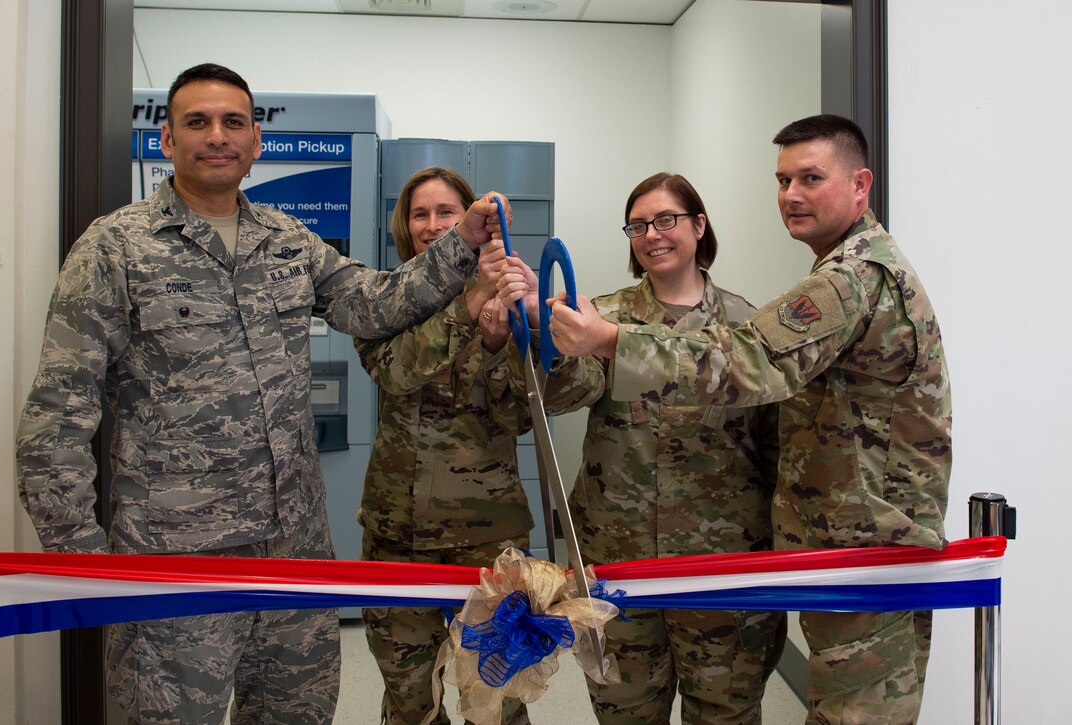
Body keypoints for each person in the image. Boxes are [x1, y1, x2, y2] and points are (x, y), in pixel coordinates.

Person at [16, 64, 509, 725]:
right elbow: (56, 419)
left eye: (233, 123)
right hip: (178, 565)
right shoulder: (114, 248)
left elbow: (375, 302)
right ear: (167, 140)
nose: (217, 136)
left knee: (295, 715)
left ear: (255, 142)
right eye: (197, 122)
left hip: (293, 556)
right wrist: (83, 562)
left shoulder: (287, 240)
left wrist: (463, 242)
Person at [543, 115, 952, 723]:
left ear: (860, 184)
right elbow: (567, 389)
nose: (792, 195)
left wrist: (609, 341)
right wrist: (552, 341)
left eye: (811, 178)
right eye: (783, 180)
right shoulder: (609, 310)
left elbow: (753, 364)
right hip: (649, 553)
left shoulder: (848, 279)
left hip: (836, 552)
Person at [498, 173, 785, 724]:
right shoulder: (601, 317)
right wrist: (542, 327)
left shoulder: (747, 328)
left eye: (666, 220)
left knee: (725, 712)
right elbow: (563, 394)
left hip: (719, 569)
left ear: (699, 226)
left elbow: (773, 447)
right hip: (618, 563)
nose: (652, 234)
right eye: (638, 226)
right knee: (624, 712)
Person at [353, 166, 534, 725]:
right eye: (420, 214)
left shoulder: (514, 293)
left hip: (489, 538)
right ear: (403, 226)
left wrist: (500, 340)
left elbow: (519, 415)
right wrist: (471, 300)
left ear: (471, 221)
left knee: (498, 701)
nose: (432, 225)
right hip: (396, 534)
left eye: (446, 212)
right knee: (410, 699)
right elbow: (395, 372)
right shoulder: (381, 299)